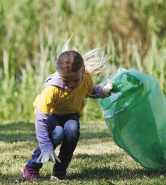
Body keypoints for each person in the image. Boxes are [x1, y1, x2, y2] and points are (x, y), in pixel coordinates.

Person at [23, 37, 113, 181]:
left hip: (71, 113)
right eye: (66, 81)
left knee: (72, 131)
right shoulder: (52, 89)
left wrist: (104, 91)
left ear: (83, 71)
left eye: (75, 80)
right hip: (52, 114)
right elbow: (41, 117)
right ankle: (32, 167)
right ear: (59, 73)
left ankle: (60, 169)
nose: (71, 84)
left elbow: (90, 91)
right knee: (57, 133)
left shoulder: (86, 79)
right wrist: (46, 145)